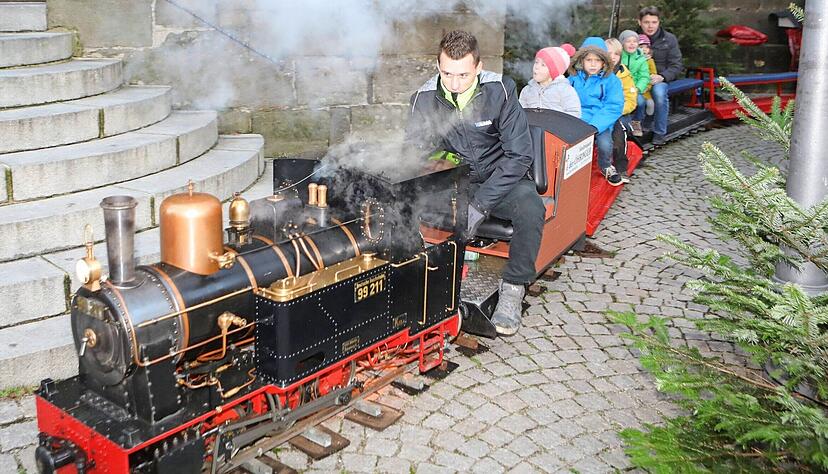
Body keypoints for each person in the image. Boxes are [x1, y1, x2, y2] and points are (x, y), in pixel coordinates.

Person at [407, 30, 544, 336]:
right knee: (406, 205)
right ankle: (420, 278)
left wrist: (480, 205)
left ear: (479, 68)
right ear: (438, 66)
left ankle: (513, 287)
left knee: (531, 208)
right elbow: (414, 153)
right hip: (458, 180)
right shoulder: (423, 99)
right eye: (447, 74)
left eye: (463, 75)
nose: (454, 83)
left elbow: (520, 156)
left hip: (504, 176)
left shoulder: (501, 91)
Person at [568, 37, 624, 186]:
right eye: (589, 60)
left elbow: (613, 106)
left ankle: (606, 166)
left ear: (604, 62)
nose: (593, 64)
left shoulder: (612, 81)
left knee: (605, 144)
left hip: (599, 121)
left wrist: (595, 126)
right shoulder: (573, 78)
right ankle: (568, 172)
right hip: (576, 118)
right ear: (581, 60)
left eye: (597, 60)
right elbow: (564, 96)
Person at [638, 5, 683, 145]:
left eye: (654, 22)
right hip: (637, 78)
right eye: (646, 22)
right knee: (634, 95)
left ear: (659, 22)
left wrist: (662, 76)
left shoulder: (669, 39)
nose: (650, 26)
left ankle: (659, 132)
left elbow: (677, 66)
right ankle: (636, 128)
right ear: (639, 22)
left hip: (659, 78)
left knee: (658, 93)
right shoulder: (633, 38)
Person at [519, 44, 581, 118]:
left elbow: (574, 115)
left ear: (554, 71)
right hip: (531, 128)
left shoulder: (565, 90)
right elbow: (520, 114)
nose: (537, 67)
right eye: (536, 62)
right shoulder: (527, 90)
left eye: (543, 65)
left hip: (557, 128)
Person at [605, 37, 636, 184]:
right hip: (601, 113)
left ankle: (621, 166)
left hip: (620, 113)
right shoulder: (597, 72)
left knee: (619, 134)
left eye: (616, 54)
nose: (612, 57)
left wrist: (617, 111)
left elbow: (631, 99)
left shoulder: (624, 75)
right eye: (608, 53)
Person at [618, 30, 651, 137]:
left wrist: (638, 88)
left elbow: (644, 76)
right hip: (620, 87)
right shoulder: (618, 57)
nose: (632, 44)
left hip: (634, 88)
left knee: (641, 102)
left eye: (634, 41)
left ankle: (636, 121)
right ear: (622, 43)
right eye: (628, 41)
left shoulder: (641, 60)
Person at [638, 34, 658, 117]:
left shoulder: (650, 61)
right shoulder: (635, 60)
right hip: (635, 85)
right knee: (639, 102)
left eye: (646, 47)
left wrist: (649, 84)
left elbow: (653, 73)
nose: (644, 50)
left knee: (650, 102)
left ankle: (646, 118)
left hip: (646, 85)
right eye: (641, 47)